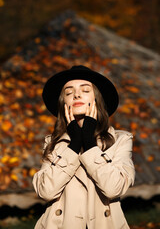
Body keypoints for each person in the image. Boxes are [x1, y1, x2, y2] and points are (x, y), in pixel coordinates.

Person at [33, 65, 135, 229]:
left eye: (85, 90)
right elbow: (46, 191)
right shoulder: (52, 143)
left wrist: (88, 143)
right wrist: (73, 145)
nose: (76, 94)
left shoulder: (120, 140)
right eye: (68, 92)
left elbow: (113, 189)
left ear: (97, 99)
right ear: (63, 102)